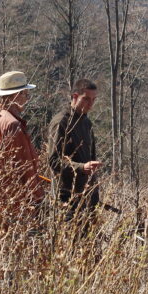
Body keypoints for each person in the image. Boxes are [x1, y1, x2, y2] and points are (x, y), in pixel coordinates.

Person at [0, 70, 46, 218]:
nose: (27, 99)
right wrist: (38, 198)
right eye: (25, 94)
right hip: (19, 201)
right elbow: (25, 166)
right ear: (15, 95)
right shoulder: (13, 124)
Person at [46, 78, 104, 218]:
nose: (90, 104)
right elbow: (54, 161)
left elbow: (91, 159)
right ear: (75, 96)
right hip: (66, 197)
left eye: (93, 100)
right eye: (86, 99)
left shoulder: (86, 123)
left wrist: (94, 195)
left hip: (86, 197)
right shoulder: (61, 122)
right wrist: (81, 167)